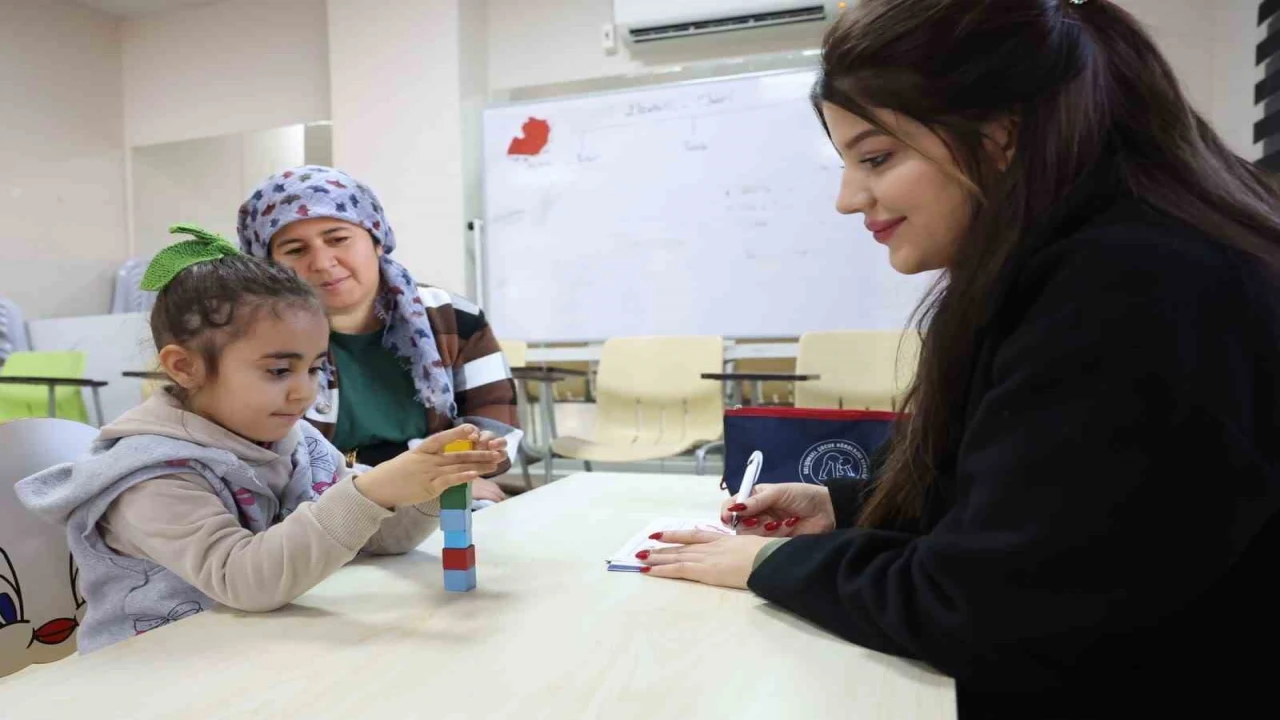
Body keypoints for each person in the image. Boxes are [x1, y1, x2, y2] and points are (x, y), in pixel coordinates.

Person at [636, 1, 1280, 717]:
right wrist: (844, 506)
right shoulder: (1104, 252)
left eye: (876, 158)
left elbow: (991, 609)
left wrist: (770, 563)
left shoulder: (1131, 285)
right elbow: (1047, 503)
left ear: (1001, 134)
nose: (847, 199)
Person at [16, 228, 506, 653]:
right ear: (184, 367)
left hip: (266, 652)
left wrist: (429, 485)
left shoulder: (299, 441)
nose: (305, 391)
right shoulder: (151, 475)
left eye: (315, 368)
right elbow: (245, 581)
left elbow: (379, 539)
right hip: (157, 674)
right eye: (278, 370)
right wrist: (371, 490)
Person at [237, 166, 519, 505]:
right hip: (319, 505)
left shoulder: (453, 317)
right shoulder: (254, 336)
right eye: (296, 250)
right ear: (269, 265)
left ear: (377, 239)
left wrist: (465, 463)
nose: (323, 262)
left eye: (337, 239)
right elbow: (269, 456)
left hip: (442, 489)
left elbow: (494, 420)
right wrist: (409, 480)